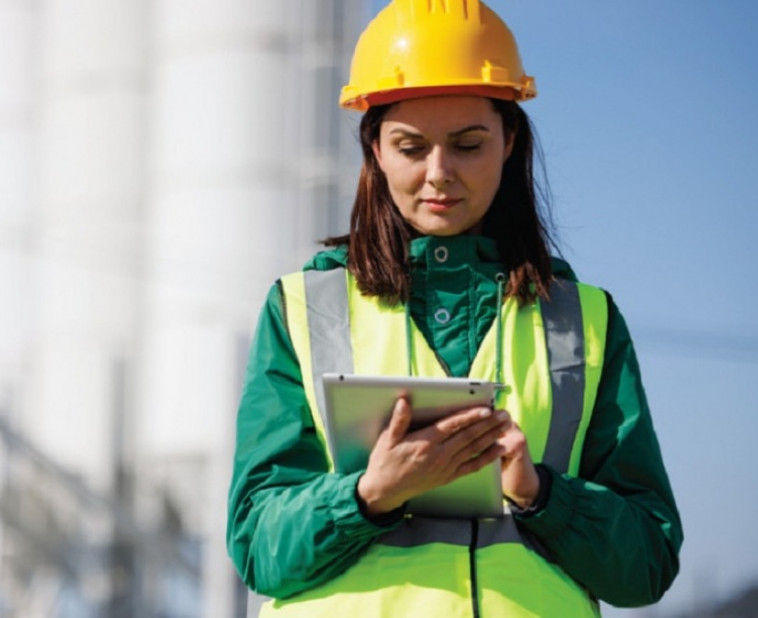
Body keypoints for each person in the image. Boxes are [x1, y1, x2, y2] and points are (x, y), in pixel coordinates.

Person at [227, 1, 683, 615]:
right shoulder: (303, 310)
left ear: (510, 140)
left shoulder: (585, 321)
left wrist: (541, 494)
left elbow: (647, 564)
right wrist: (369, 494)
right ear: (374, 149)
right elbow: (257, 546)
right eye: (411, 147)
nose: (439, 173)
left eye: (467, 145)